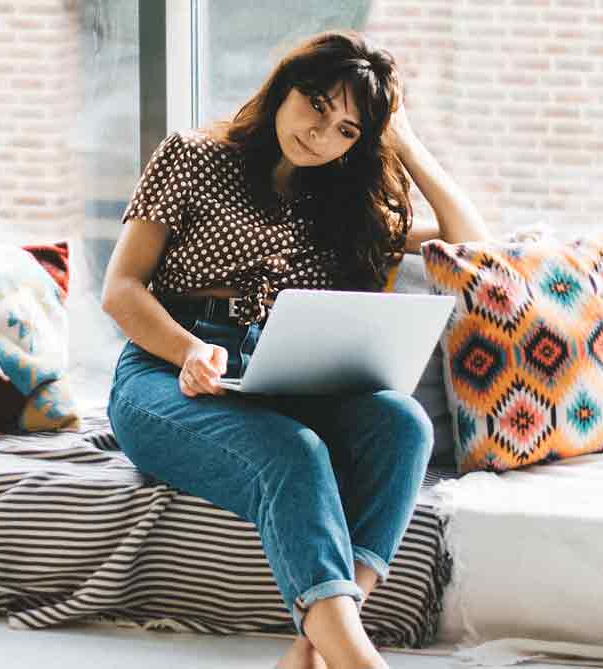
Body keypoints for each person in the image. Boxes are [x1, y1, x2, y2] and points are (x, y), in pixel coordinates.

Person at [100, 30, 489, 669]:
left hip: (278, 372)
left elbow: (471, 241)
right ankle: (356, 659)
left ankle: (318, 642)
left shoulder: (343, 204)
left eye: (346, 130)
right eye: (316, 105)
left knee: (404, 425)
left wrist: (407, 143)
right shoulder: (192, 156)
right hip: (164, 371)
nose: (320, 133)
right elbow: (121, 288)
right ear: (285, 86)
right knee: (295, 453)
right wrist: (190, 349)